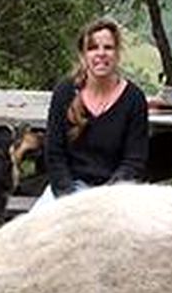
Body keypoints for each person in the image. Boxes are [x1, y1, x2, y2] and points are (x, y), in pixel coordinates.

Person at [40, 17, 148, 204]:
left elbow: (134, 161)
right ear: (83, 55)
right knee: (34, 231)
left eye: (108, 47)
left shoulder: (134, 99)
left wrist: (104, 199)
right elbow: (54, 153)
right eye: (92, 48)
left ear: (117, 53)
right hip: (68, 191)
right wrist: (69, 198)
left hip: (115, 194)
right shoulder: (64, 92)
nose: (101, 54)